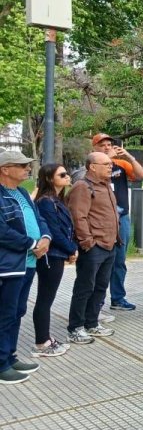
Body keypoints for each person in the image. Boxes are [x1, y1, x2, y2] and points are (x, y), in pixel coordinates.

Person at [0, 151, 49, 383]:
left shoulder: (21, 192)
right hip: (8, 265)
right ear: (5, 169)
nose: (27, 169)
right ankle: (1, 365)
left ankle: (9, 356)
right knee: (5, 314)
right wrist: (31, 243)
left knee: (17, 312)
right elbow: (2, 231)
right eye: (21, 165)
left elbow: (38, 218)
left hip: (27, 264)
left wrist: (46, 238)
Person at [66, 152, 120, 345]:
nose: (110, 166)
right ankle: (75, 328)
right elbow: (78, 217)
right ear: (92, 167)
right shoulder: (82, 186)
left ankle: (91, 323)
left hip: (110, 244)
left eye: (110, 163)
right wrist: (88, 242)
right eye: (105, 163)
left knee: (100, 287)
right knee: (84, 287)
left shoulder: (105, 185)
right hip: (94, 246)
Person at [91, 134, 143, 313]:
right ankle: (96, 301)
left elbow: (140, 175)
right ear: (94, 148)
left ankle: (118, 298)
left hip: (121, 218)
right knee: (100, 261)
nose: (107, 147)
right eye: (102, 145)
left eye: (109, 144)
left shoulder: (120, 164)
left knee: (119, 260)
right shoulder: (91, 166)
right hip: (100, 220)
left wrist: (128, 156)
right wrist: (107, 159)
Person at [32, 163, 77, 357]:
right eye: (62, 174)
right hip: (51, 255)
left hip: (57, 254)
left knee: (46, 299)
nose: (67, 176)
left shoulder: (56, 200)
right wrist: (72, 249)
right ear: (50, 178)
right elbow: (54, 231)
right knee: (44, 299)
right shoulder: (46, 202)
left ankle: (45, 339)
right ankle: (42, 342)